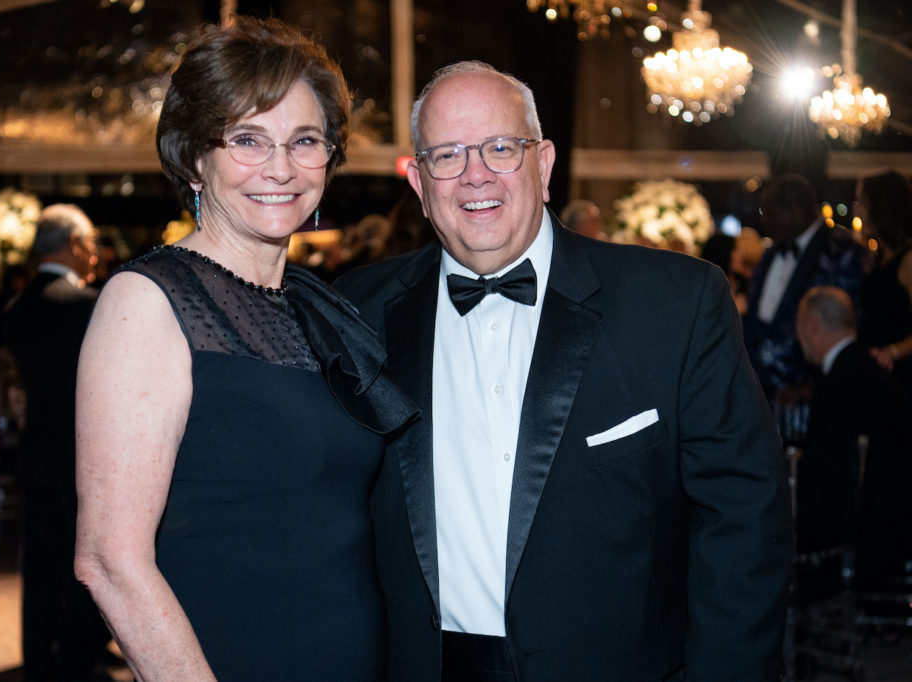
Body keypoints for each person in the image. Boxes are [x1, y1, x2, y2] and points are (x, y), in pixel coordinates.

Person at [335, 60, 792, 681]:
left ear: (543, 166)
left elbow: (744, 522)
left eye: (501, 148)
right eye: (446, 155)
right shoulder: (355, 313)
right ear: (419, 183)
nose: (475, 175)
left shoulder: (673, 305)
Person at [73, 18, 415, 681]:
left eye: (305, 140)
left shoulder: (318, 304)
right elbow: (109, 561)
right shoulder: (150, 302)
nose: (281, 168)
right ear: (195, 157)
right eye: (248, 140)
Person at [1, 203, 112, 681]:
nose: (94, 254)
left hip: (36, 451)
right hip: (83, 453)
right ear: (74, 245)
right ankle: (77, 653)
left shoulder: (15, 307)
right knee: (83, 559)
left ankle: (38, 657)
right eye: (90, 244)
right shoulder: (86, 305)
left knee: (41, 559)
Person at [795, 286, 912, 614]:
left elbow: (824, 473)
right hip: (890, 512)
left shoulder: (842, 381)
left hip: (868, 524)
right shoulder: (863, 368)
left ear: (813, 327)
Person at [743, 174, 866, 401]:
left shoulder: (840, 251)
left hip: (806, 397)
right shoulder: (772, 252)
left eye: (769, 213)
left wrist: (812, 386)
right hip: (759, 391)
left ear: (795, 211)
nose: (764, 221)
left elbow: (848, 325)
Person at [855, 170, 912, 392]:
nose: (858, 210)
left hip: (901, 374)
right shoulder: (879, 256)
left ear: (881, 206)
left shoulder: (908, 259)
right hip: (880, 372)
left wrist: (893, 352)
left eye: (862, 202)